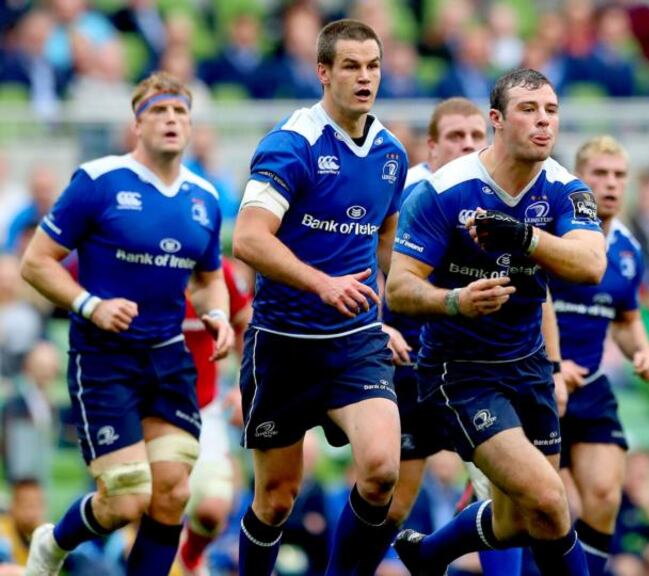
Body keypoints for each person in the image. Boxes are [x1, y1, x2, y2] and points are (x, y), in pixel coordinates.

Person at [386, 67, 606, 575]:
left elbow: (591, 264)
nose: (543, 120)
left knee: (526, 520)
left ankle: (429, 553)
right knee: (551, 499)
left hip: (528, 366)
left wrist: (523, 237)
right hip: (460, 372)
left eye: (551, 110)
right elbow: (399, 287)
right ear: (497, 120)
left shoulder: (565, 189)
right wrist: (456, 301)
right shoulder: (444, 191)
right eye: (528, 110)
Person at [20, 71, 232, 576]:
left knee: (173, 494)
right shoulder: (98, 181)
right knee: (125, 500)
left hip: (168, 358)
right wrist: (90, 304)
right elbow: (36, 262)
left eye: (180, 111)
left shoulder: (204, 197)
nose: (171, 120)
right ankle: (52, 542)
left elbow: (209, 279)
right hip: (104, 359)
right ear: (137, 124)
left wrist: (217, 314)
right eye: (159, 111)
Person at [230, 18, 408, 576]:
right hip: (284, 345)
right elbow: (248, 239)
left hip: (354, 344)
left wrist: (389, 310)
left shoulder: (391, 153)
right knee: (276, 500)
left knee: (381, 471)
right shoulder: (291, 144)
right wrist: (322, 283)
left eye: (373, 66)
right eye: (351, 66)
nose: (365, 77)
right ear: (323, 72)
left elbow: (385, 240)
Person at [379, 97, 522, 575]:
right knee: (393, 501)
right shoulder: (405, 192)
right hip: (409, 363)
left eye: (476, 136)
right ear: (432, 146)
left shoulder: (501, 194)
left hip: (476, 367)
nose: (467, 144)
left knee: (505, 490)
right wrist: (375, 325)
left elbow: (529, 288)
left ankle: (443, 546)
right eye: (455, 136)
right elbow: (367, 262)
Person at [550, 134, 649, 575]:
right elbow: (524, 306)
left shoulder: (628, 249)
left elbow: (626, 319)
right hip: (539, 383)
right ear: (579, 179)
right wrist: (551, 365)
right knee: (546, 507)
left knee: (604, 496)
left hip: (591, 386)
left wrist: (643, 352)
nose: (611, 183)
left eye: (619, 175)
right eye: (600, 174)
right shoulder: (553, 233)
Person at [177, 257, 252, 575]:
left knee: (214, 508)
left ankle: (190, 556)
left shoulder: (221, 272)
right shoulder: (146, 263)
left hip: (204, 409)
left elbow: (245, 324)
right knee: (157, 506)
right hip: (148, 408)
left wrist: (244, 386)